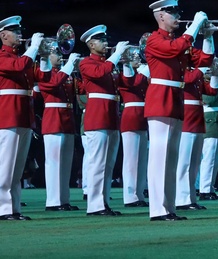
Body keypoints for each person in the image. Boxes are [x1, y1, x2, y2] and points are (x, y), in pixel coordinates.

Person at [144, 0, 215, 222]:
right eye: (173, 13)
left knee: (170, 158)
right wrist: (194, 25)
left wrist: (209, 36)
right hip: (161, 98)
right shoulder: (154, 40)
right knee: (160, 157)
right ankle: (158, 209)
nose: (177, 17)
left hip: (175, 99)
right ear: (161, 16)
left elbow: (205, 60)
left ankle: (168, 207)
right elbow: (176, 49)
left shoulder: (177, 41)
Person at [78, 25, 130, 217]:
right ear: (91, 44)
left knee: (108, 164)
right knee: (97, 163)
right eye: (101, 40)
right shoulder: (86, 63)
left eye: (105, 39)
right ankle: (94, 205)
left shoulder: (109, 64)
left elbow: (125, 84)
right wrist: (116, 55)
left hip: (111, 116)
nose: (106, 43)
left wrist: (126, 62)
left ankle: (103, 202)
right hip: (97, 117)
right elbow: (100, 73)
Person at [0, 16, 41, 221]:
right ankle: (3, 209)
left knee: (16, 167)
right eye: (15, 32)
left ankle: (14, 208)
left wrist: (40, 55)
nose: (19, 34)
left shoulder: (20, 57)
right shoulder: (2, 57)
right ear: (3, 35)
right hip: (8, 116)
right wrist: (33, 47)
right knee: (6, 166)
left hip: (23, 116)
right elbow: (18, 67)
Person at [36, 46, 82, 211]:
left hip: (67, 119)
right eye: (55, 53)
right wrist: (70, 65)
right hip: (53, 118)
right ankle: (53, 201)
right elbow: (54, 84)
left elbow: (81, 90)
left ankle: (64, 200)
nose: (59, 56)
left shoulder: (65, 74)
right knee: (54, 163)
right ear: (47, 57)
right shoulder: (45, 73)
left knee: (66, 163)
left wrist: (80, 71)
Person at [176, 64, 218, 211]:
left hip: (197, 118)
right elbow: (188, 79)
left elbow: (212, 91)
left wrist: (214, 74)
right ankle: (181, 198)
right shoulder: (182, 69)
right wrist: (201, 68)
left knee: (194, 163)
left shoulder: (196, 74)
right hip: (186, 118)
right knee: (184, 162)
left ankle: (190, 198)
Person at [119, 38, 150, 207]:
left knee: (141, 160)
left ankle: (139, 194)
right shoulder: (127, 73)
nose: (138, 58)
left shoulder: (142, 73)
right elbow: (133, 82)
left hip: (142, 116)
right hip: (131, 115)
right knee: (131, 160)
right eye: (134, 56)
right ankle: (130, 196)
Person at [199, 70, 218, 201]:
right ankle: (204, 189)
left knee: (216, 159)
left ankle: (210, 188)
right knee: (208, 158)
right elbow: (209, 99)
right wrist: (216, 80)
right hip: (209, 122)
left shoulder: (214, 84)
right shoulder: (202, 84)